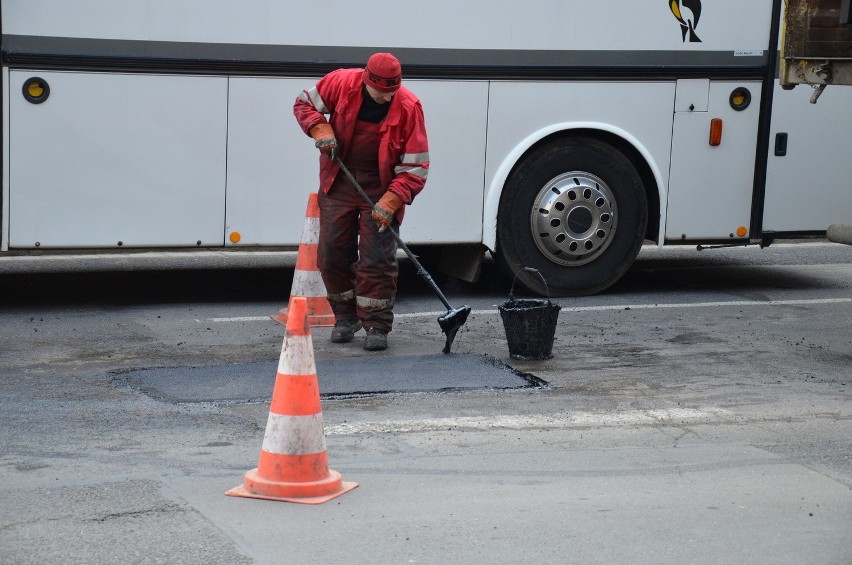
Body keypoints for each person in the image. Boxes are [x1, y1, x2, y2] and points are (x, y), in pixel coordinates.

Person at [293, 53, 429, 351]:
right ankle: (345, 317)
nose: (384, 99)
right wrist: (321, 128)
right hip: (339, 182)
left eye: (390, 93)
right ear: (366, 81)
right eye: (380, 92)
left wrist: (391, 201)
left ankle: (377, 325)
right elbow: (303, 104)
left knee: (377, 260)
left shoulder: (408, 106)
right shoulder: (340, 83)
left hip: (381, 189)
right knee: (331, 254)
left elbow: (416, 166)